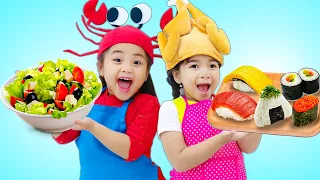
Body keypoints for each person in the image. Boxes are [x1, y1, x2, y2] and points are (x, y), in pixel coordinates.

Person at [157, 0, 262, 179]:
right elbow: (180, 161)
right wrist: (223, 137)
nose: (206, 73)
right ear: (177, 76)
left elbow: (249, 147)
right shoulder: (171, 109)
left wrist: (258, 120)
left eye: (212, 65)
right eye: (194, 66)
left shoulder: (228, 104)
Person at [53, 25, 165, 180]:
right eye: (118, 60)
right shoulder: (88, 98)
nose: (127, 68)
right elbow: (64, 136)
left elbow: (130, 150)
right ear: (101, 68)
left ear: (146, 74)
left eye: (137, 62)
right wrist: (47, 118)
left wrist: (92, 127)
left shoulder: (148, 104)